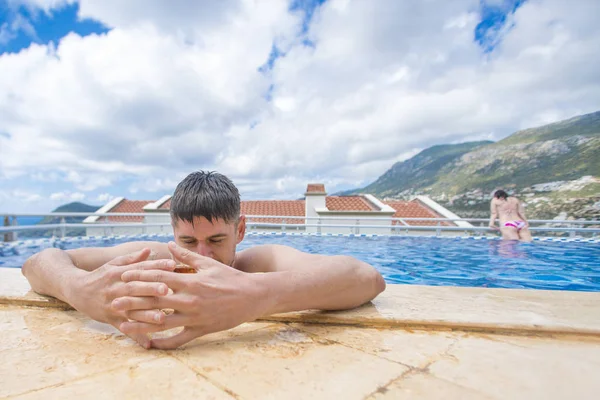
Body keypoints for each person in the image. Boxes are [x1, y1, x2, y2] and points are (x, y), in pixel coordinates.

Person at [22, 171, 386, 349]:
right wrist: (76, 287)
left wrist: (258, 294)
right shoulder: (156, 259)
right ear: (172, 235)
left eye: (216, 240)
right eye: (187, 241)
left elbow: (366, 277)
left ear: (240, 231)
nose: (202, 256)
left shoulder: (259, 264)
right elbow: (39, 261)